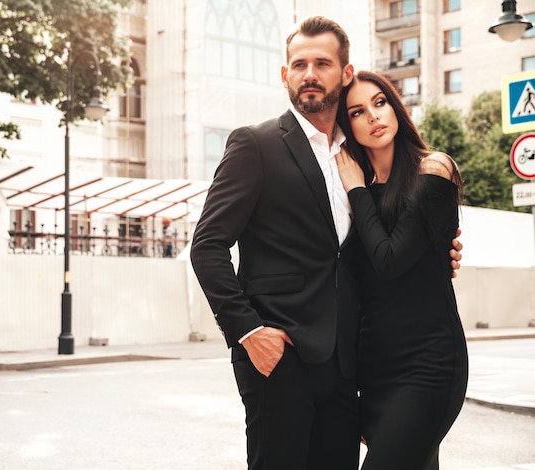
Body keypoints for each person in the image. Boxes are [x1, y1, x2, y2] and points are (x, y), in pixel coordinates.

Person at [190, 16, 462, 470]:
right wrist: (247, 332)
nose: (310, 74)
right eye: (299, 64)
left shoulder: (357, 157)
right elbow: (207, 246)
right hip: (280, 359)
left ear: (345, 73)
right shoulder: (255, 145)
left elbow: (387, 243)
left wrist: (442, 252)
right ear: (285, 75)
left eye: (322, 63)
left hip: (349, 368)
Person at [335, 70, 468, 470]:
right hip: (375, 372)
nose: (373, 116)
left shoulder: (434, 170)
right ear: (347, 126)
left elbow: (389, 261)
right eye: (357, 111)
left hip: (429, 362)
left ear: (396, 107)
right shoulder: (356, 193)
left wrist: (356, 189)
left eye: (380, 102)